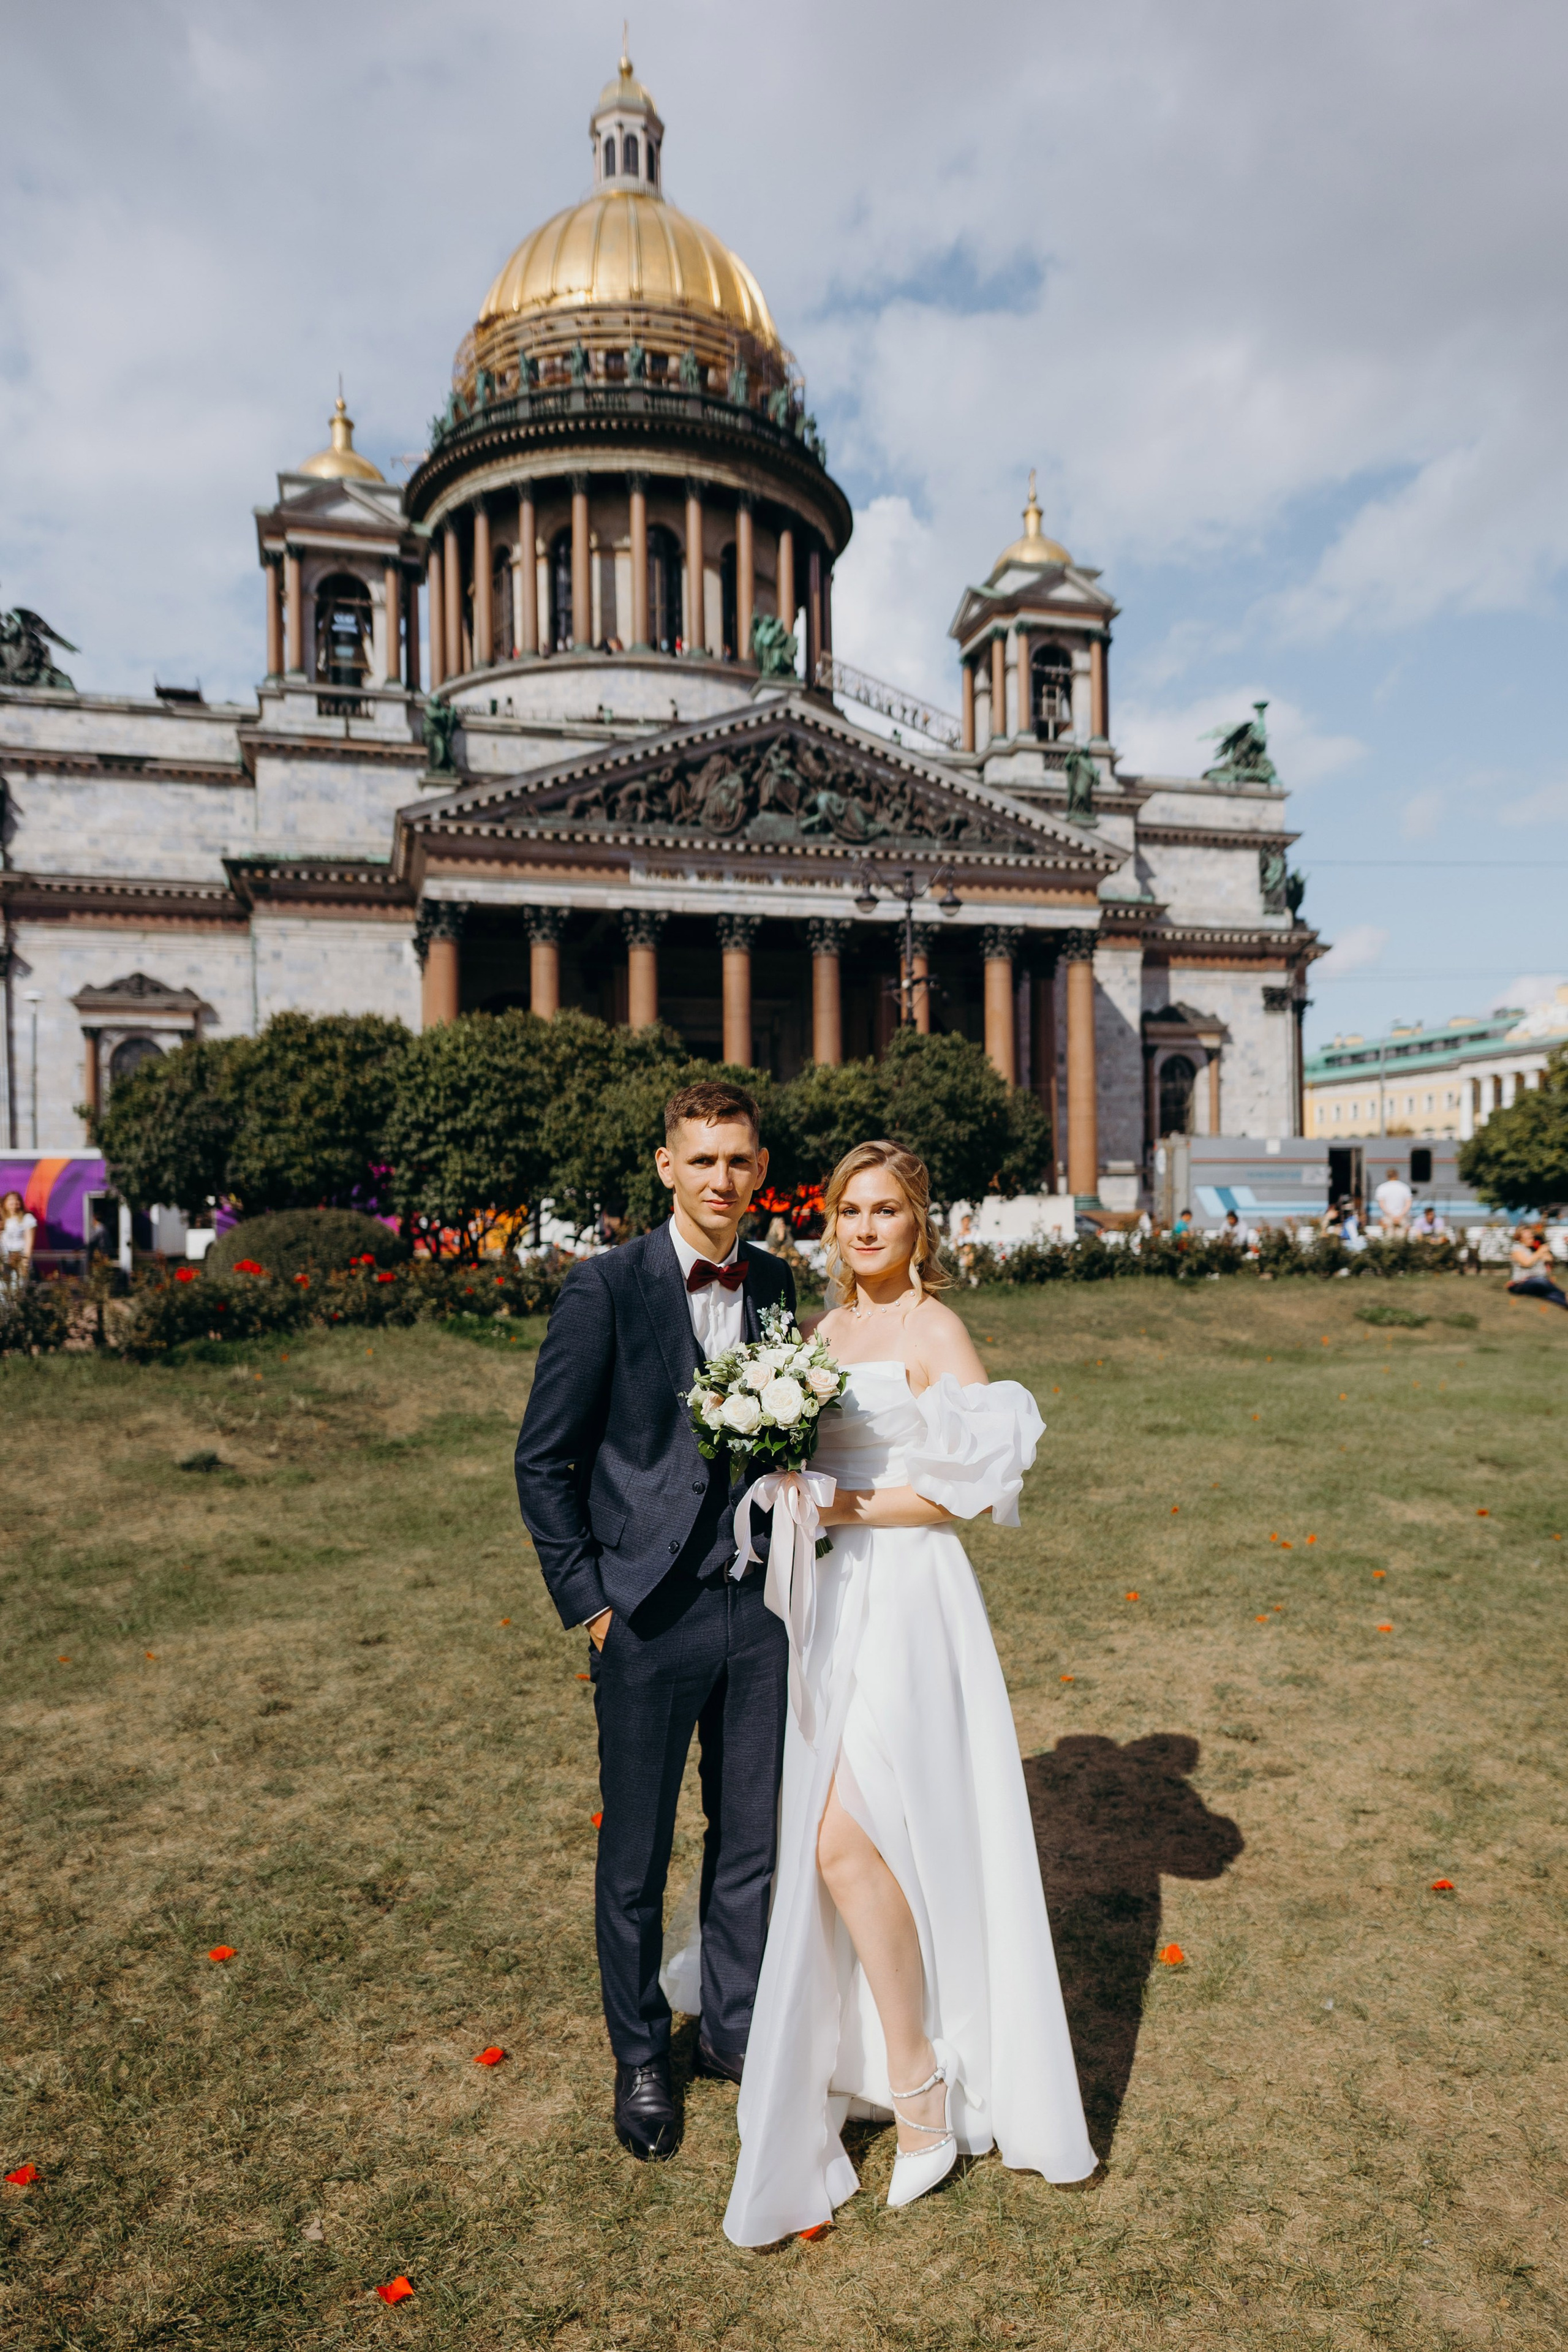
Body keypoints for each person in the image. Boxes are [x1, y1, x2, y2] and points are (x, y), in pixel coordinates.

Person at [723, 1140, 1095, 2246]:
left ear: (917, 1225)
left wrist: (838, 1509)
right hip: (831, 1606)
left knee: (853, 1837)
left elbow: (965, 1493)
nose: (868, 1228)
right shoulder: (823, 1333)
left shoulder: (936, 1331)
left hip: (912, 1603)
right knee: (848, 1840)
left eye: (887, 1211)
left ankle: (924, 2090)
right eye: (850, 1210)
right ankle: (886, 2062)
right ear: (830, 1223)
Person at [514, 1082, 797, 2162]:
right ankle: (641, 2056)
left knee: (750, 1843)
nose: (721, 1178)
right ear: (666, 1168)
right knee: (633, 1858)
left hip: (759, 1612)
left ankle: (731, 2033)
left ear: (759, 1171)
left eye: (738, 1160)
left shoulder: (772, 1284)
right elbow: (545, 1462)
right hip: (644, 1620)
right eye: (702, 1159)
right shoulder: (605, 1289)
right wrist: (592, 1605)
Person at [1507, 1222, 1567, 1310]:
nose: (1532, 1239)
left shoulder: (1533, 1250)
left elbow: (1549, 1259)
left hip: (1538, 1283)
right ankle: (1565, 1295)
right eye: (1528, 1237)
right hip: (1523, 1284)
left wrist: (1545, 1254)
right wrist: (1540, 1252)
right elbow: (1526, 1263)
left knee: (1551, 1295)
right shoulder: (1517, 1249)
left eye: (1532, 1236)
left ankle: (1566, 1301)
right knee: (1541, 1282)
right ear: (1520, 1238)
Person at [1, 1189, 37, 1281]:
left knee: (18, 1288)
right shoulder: (3, 1220)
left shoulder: (27, 1218)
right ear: (5, 1203)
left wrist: (25, 1261)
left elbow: (29, 1242)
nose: (14, 1203)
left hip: (20, 1257)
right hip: (5, 1259)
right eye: (10, 1200)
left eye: (16, 1200)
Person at [1373, 1166, 1413, 1234]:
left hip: (1388, 1218)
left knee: (1389, 1241)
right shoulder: (1404, 1187)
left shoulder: (1382, 1188)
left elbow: (1382, 1205)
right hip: (1402, 1218)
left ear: (1387, 1176)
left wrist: (1392, 1216)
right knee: (1402, 1241)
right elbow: (1408, 1204)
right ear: (1397, 1175)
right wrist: (1400, 1216)